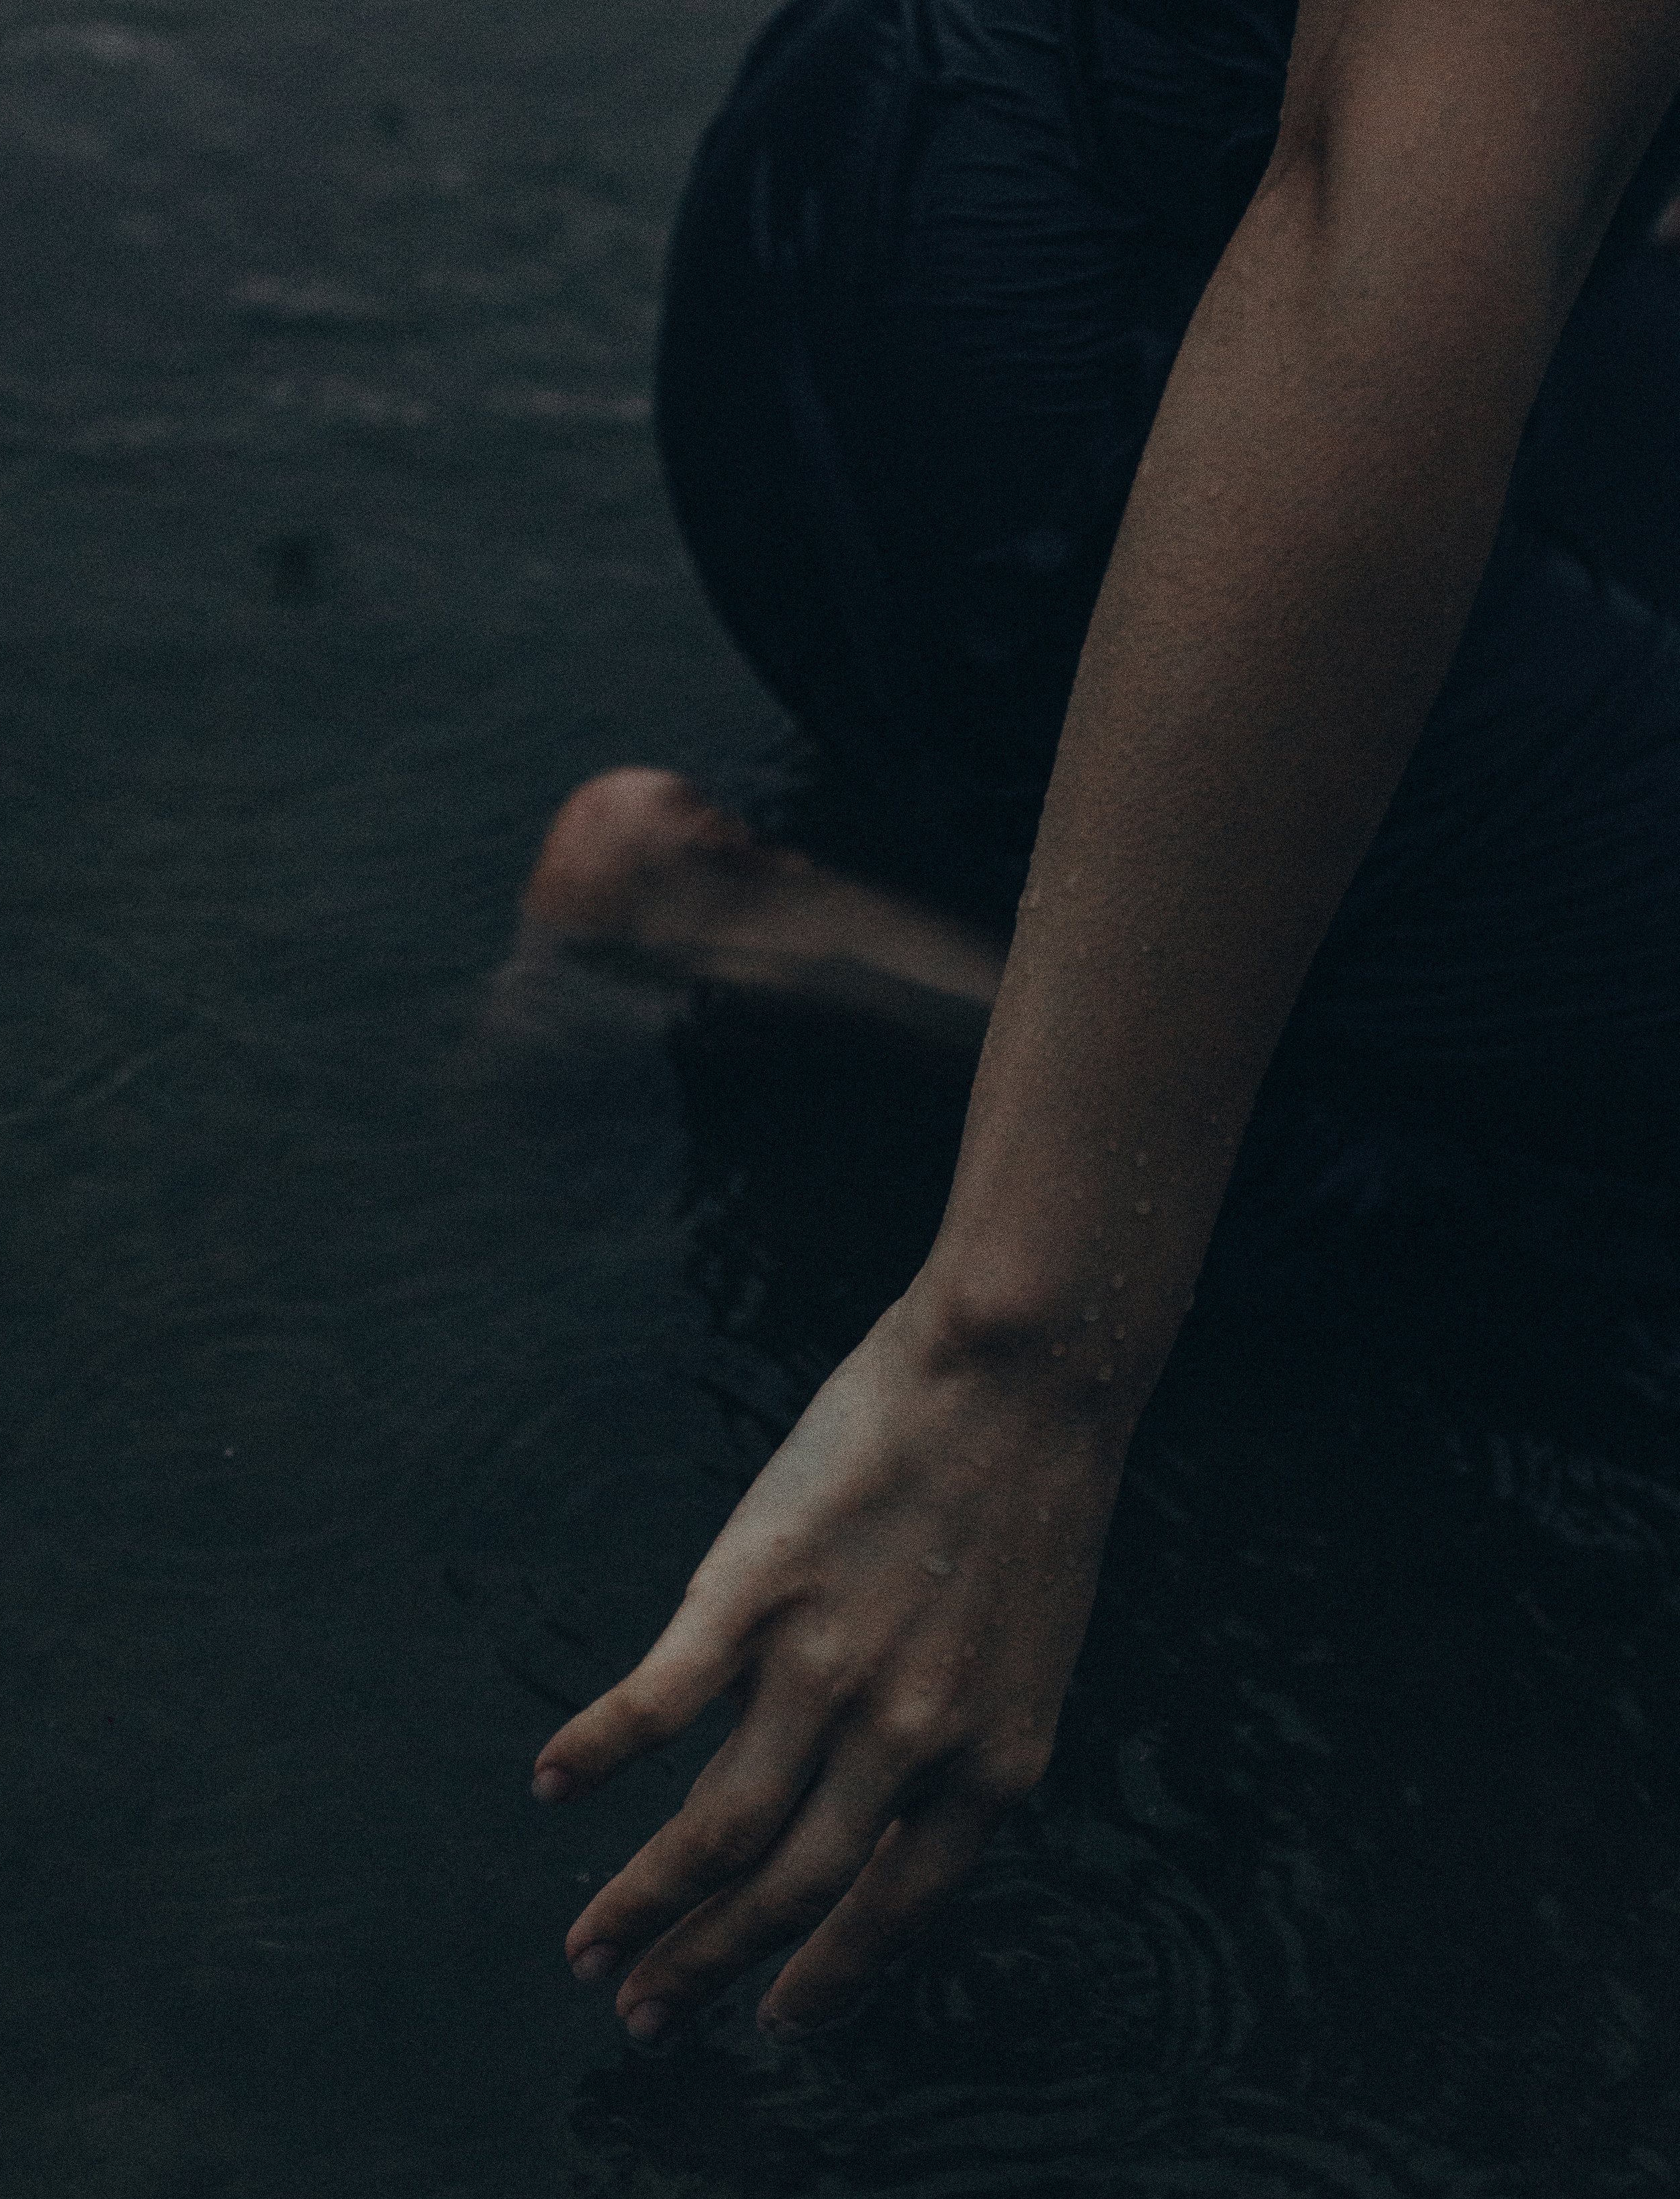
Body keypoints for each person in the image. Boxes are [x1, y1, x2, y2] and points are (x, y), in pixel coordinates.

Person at [527, 0, 1680, 2045]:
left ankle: (1084, 902)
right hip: (1061, 431)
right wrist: (1029, 1348)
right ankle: (823, 951)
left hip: (831, 279)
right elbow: (1359, 250)